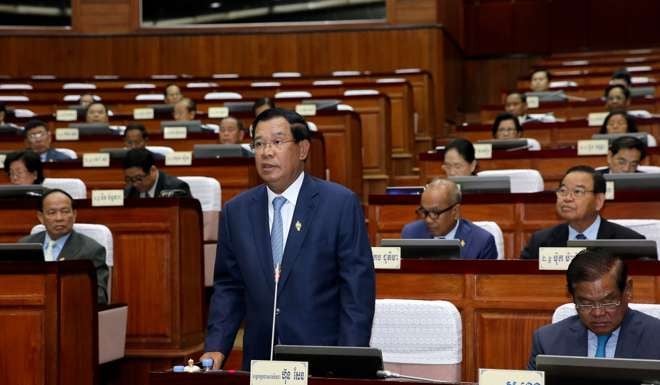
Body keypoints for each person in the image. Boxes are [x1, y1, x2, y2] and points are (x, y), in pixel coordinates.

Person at [200, 108, 375, 370]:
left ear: (302, 149)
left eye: (277, 142)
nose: (266, 152)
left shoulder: (339, 204)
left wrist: (348, 362)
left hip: (322, 363)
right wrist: (216, 346)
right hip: (260, 361)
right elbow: (229, 287)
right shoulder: (237, 211)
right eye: (258, 144)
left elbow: (356, 292)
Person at [527, 248, 660, 370]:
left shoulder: (656, 337)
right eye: (585, 303)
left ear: (628, 290)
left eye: (608, 302)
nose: (598, 313)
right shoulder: (548, 341)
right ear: (571, 295)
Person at [520, 165, 644, 259]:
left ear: (598, 201)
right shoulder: (541, 242)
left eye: (578, 192)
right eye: (563, 190)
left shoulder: (629, 243)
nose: (567, 198)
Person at [19, 189, 109, 304]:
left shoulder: (91, 250)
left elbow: (99, 297)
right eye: (52, 212)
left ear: (74, 214)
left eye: (65, 211)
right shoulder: (25, 245)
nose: (59, 218)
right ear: (41, 217)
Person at [401, 178, 497, 259]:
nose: (428, 220)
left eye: (435, 213)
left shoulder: (482, 242)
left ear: (455, 211)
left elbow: (487, 281)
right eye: (424, 211)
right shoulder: (411, 233)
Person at [122, 148, 191, 198]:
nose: (134, 184)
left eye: (138, 178)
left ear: (153, 170)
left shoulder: (176, 189)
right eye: (129, 179)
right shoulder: (129, 191)